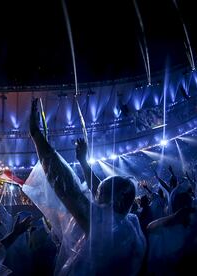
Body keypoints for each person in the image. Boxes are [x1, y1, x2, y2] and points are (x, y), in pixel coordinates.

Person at [29, 98, 146, 275]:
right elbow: (100, 188)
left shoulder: (101, 223)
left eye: (100, 193)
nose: (95, 193)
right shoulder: (128, 224)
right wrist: (83, 163)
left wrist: (36, 135)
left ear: (110, 199)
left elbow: (65, 185)